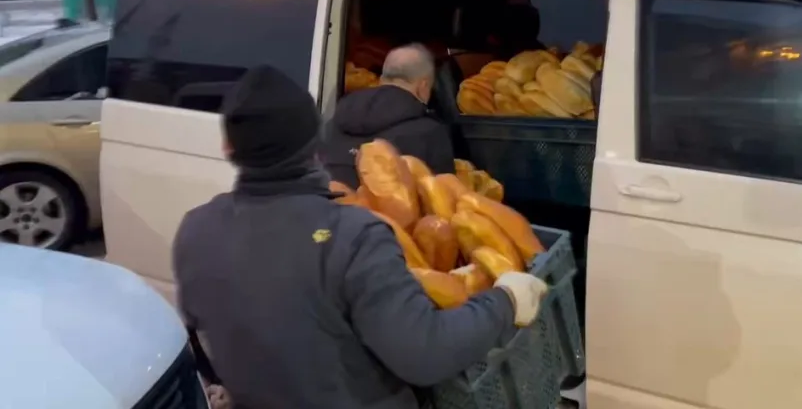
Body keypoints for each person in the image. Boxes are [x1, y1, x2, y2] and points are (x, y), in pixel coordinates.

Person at [172, 65, 549, 409]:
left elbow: (208, 340)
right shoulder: (353, 235)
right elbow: (425, 353)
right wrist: (505, 301)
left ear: (228, 148)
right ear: (314, 143)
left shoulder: (194, 230)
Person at [324, 43, 455, 188]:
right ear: (423, 86)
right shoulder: (431, 133)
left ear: (381, 79)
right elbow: (444, 199)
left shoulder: (333, 121)